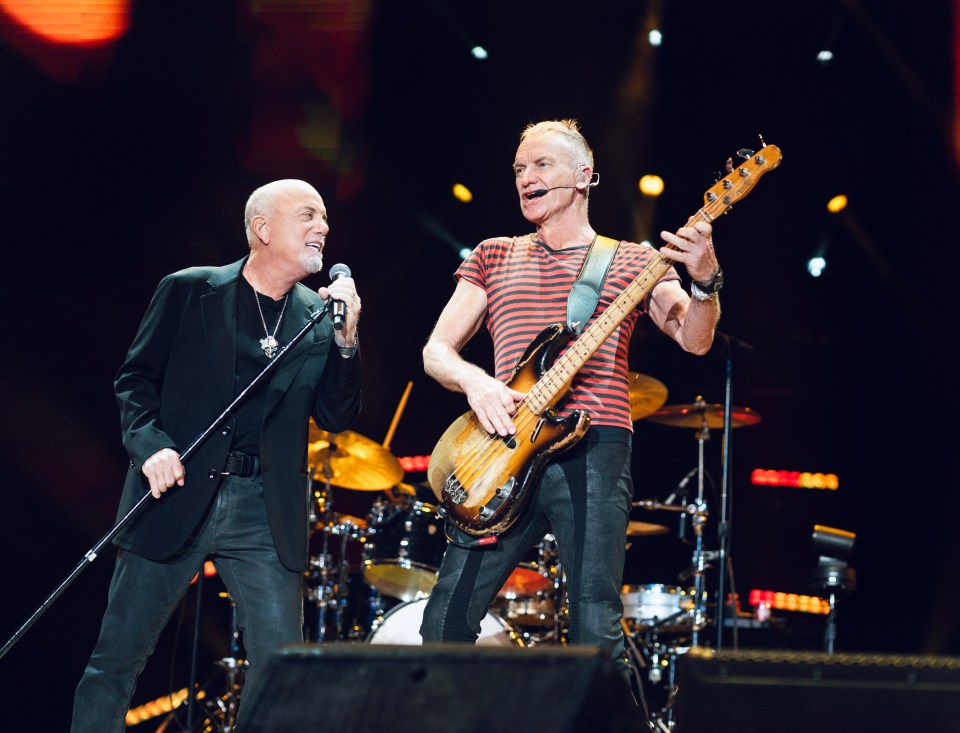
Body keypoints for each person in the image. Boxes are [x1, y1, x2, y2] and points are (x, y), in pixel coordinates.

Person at [419, 120, 721, 681]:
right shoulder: (492, 254)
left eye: (540, 166)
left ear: (584, 177)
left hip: (595, 445)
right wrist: (477, 382)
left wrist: (704, 280)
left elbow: (695, 339)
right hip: (503, 447)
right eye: (518, 169)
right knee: (443, 624)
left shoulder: (632, 260)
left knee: (594, 629)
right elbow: (437, 350)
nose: (526, 178)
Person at [70, 179, 362, 732]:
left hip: (263, 508)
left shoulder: (317, 320)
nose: (323, 227)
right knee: (117, 661)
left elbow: (336, 417)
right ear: (263, 228)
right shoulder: (188, 290)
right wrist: (152, 447)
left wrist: (347, 339)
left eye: (325, 216)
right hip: (175, 493)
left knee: (281, 669)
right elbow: (134, 382)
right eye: (309, 215)